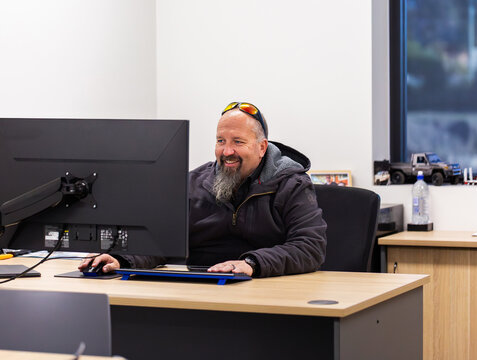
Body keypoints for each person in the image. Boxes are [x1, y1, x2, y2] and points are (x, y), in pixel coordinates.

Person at [79, 101, 327, 277]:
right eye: (221, 141)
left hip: (268, 289)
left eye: (238, 142)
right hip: (203, 287)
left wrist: (252, 263)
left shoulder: (291, 184)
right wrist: (123, 259)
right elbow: (163, 242)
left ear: (262, 147)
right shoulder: (194, 182)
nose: (227, 151)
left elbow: (310, 247)